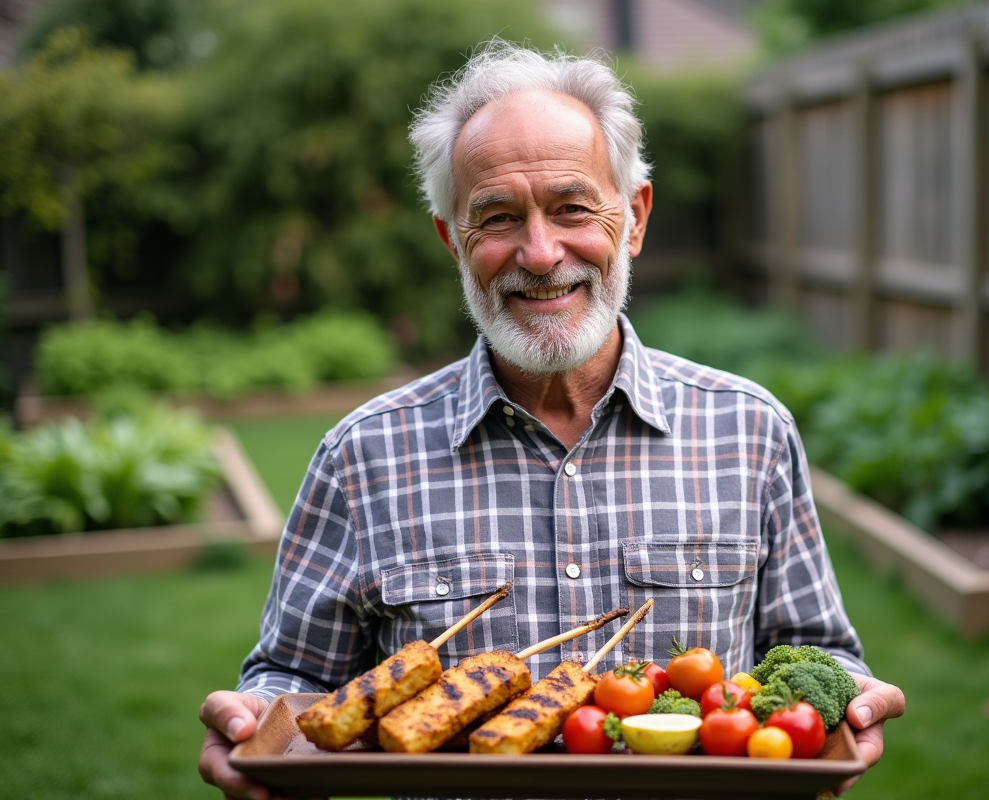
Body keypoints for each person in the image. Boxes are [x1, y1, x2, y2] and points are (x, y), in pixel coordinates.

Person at [198, 41, 904, 799]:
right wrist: (250, 722)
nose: (539, 253)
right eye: (497, 217)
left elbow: (814, 654)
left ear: (632, 218)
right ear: (453, 243)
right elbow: (295, 679)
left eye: (571, 207)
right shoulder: (360, 456)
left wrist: (851, 697)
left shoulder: (750, 432)